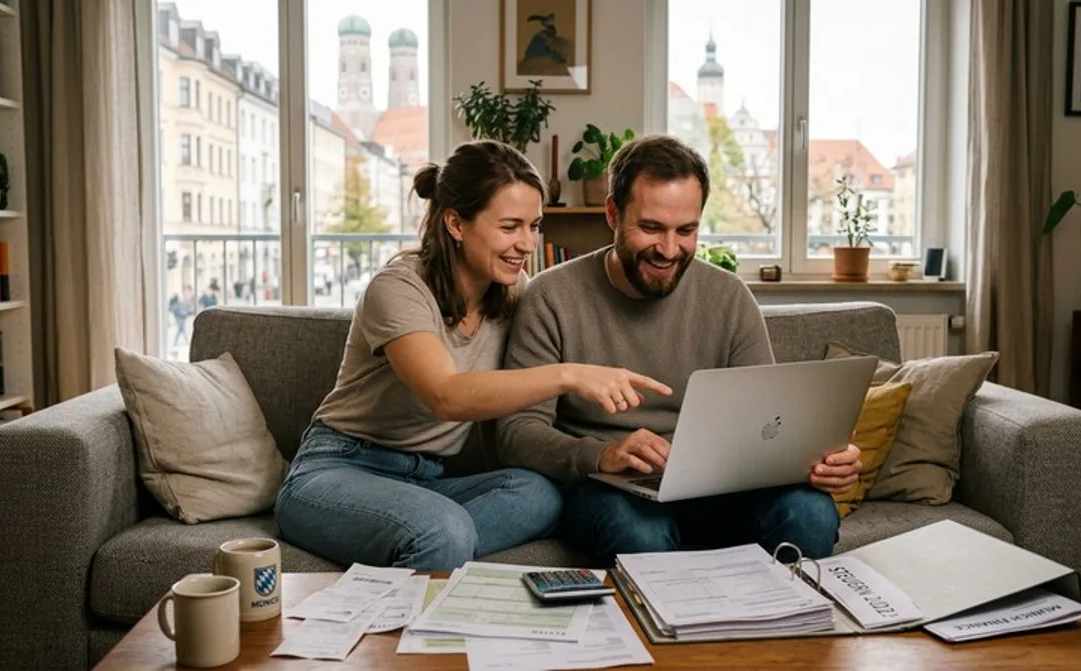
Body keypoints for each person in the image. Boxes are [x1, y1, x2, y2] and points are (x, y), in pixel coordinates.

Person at [273, 140, 672, 571]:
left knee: (540, 495)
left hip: (429, 481)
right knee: (442, 530)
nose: (527, 244)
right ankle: (430, 546)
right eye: (509, 227)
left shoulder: (514, 293)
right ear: (456, 224)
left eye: (535, 226)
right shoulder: (399, 288)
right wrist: (569, 374)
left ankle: (421, 546)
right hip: (338, 468)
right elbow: (447, 396)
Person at [495, 134, 862, 567]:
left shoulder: (728, 296)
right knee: (639, 533)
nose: (669, 250)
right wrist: (601, 455)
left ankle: (766, 626)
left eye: (685, 231)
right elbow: (515, 432)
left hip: (721, 488)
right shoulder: (552, 295)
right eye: (651, 228)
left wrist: (827, 456)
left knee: (811, 514)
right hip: (610, 488)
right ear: (613, 213)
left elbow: (768, 419)